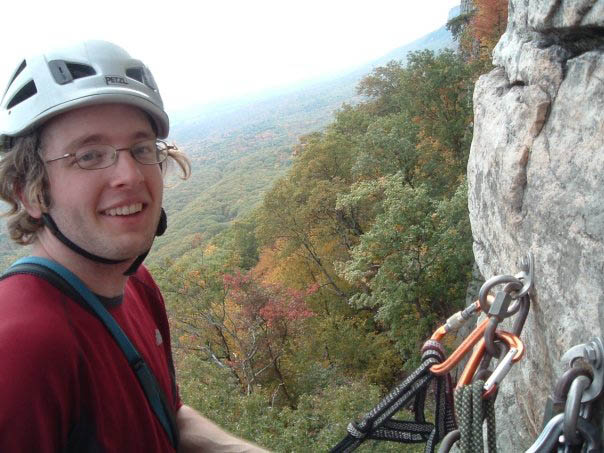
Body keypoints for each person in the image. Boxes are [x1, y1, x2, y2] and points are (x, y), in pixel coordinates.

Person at [0, 40, 268, 452]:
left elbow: (166, 414)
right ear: (30, 192)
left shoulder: (136, 284)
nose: (130, 174)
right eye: (89, 155)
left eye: (141, 148)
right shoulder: (20, 346)